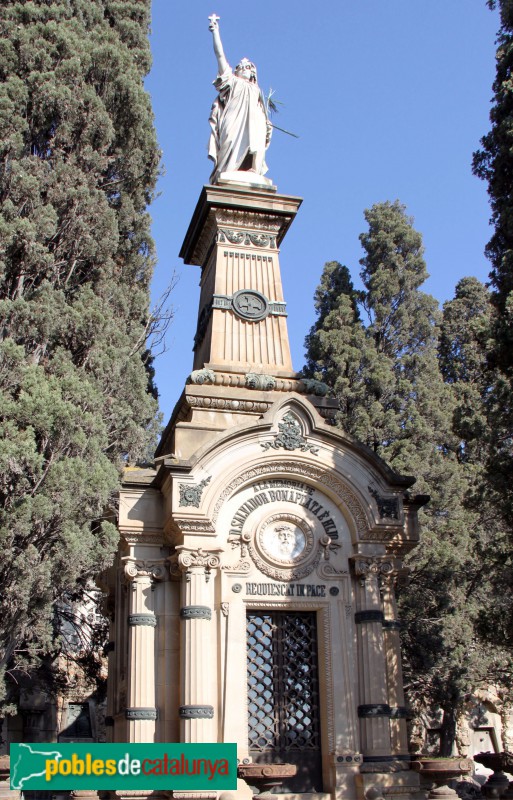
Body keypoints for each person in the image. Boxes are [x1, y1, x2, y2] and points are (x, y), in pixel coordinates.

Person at [208, 15, 272, 184]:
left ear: (253, 73)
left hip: (255, 122)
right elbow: (220, 56)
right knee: (229, 142)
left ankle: (252, 170)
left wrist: (267, 124)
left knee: (255, 145)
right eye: (240, 67)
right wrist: (216, 32)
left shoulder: (257, 90)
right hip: (234, 120)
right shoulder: (232, 81)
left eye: (247, 67)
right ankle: (229, 170)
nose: (243, 69)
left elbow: (264, 114)